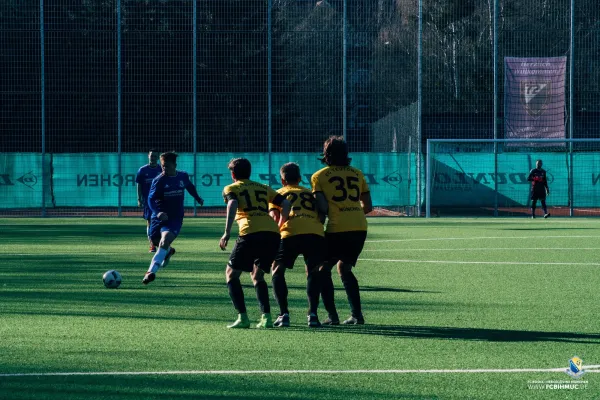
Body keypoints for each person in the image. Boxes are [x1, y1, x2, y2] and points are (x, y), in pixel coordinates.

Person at [219, 158, 291, 329]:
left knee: (231, 274)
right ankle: (266, 317)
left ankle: (243, 318)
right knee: (257, 276)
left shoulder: (231, 188)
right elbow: (286, 203)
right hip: (272, 234)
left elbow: (233, 202)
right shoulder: (262, 187)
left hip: (250, 233)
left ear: (233, 174)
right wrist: (280, 224)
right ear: (249, 172)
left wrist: (227, 232)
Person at [311, 136, 373, 325]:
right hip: (359, 226)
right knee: (344, 268)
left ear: (326, 154)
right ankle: (357, 315)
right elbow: (368, 206)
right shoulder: (357, 173)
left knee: (322, 269)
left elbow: (322, 207)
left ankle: (332, 316)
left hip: (337, 227)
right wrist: (352, 212)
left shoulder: (319, 176)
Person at [269, 163, 325, 328]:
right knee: (313, 271)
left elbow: (275, 217)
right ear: (300, 179)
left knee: (277, 270)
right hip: (314, 233)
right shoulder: (309, 193)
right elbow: (322, 215)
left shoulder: (278, 193)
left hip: (290, 232)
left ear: (282, 180)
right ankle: (313, 314)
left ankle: (283, 314)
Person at [142, 152, 204, 285]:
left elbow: (190, 187)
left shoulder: (182, 176)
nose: (164, 169)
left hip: (175, 217)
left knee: (164, 240)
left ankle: (150, 272)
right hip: (158, 217)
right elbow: (150, 199)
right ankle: (169, 251)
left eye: (167, 166)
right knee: (155, 240)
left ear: (175, 165)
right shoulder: (158, 180)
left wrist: (197, 198)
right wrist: (158, 213)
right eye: (163, 166)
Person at [135, 149, 162, 252]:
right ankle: (152, 245)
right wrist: (139, 198)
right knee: (150, 222)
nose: (153, 158)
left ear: (158, 157)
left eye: (155, 156)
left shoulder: (161, 169)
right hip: (148, 202)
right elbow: (139, 185)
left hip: (160, 201)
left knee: (161, 222)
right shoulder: (142, 170)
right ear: (148, 156)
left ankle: (162, 243)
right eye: (152, 156)